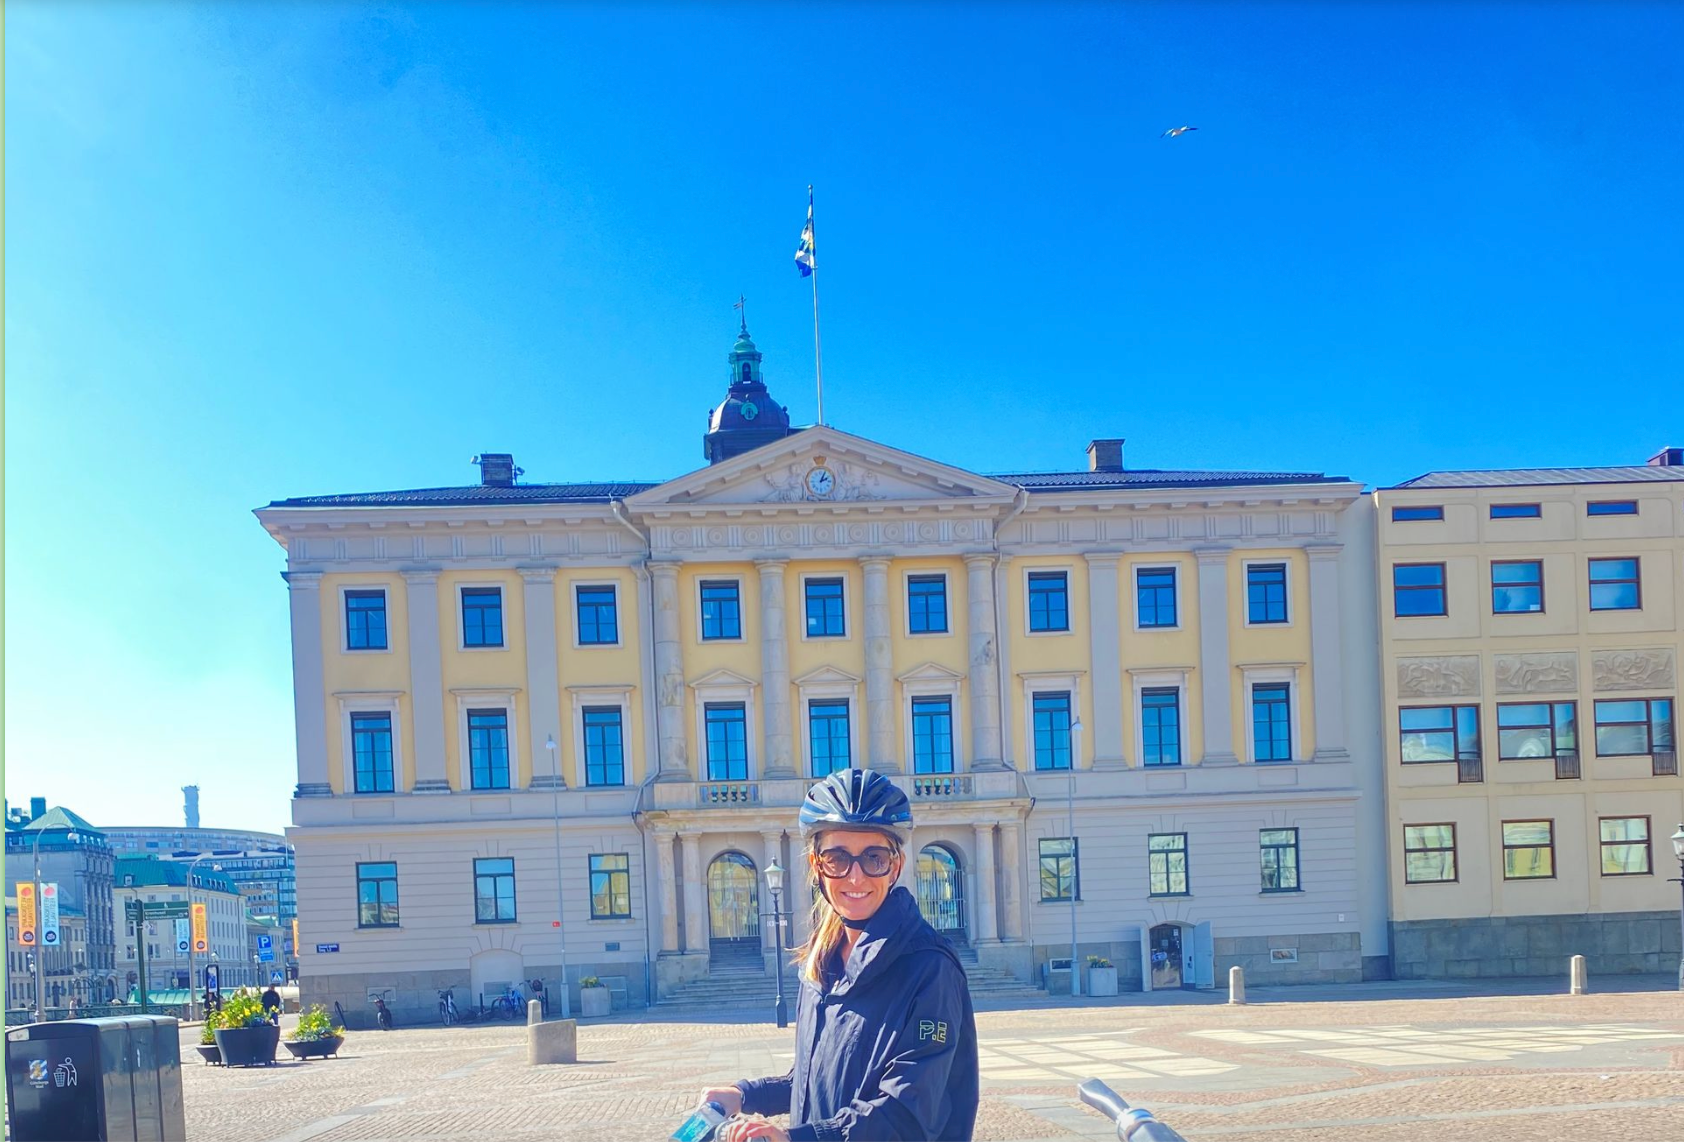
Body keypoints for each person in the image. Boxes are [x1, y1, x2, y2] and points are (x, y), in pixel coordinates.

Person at [700, 768, 979, 1141]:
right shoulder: (822, 961)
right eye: (837, 858)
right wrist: (746, 1094)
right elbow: (817, 1077)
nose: (855, 877)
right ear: (817, 866)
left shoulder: (929, 968)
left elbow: (907, 1113)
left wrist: (796, 1138)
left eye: (874, 858)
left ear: (896, 865)